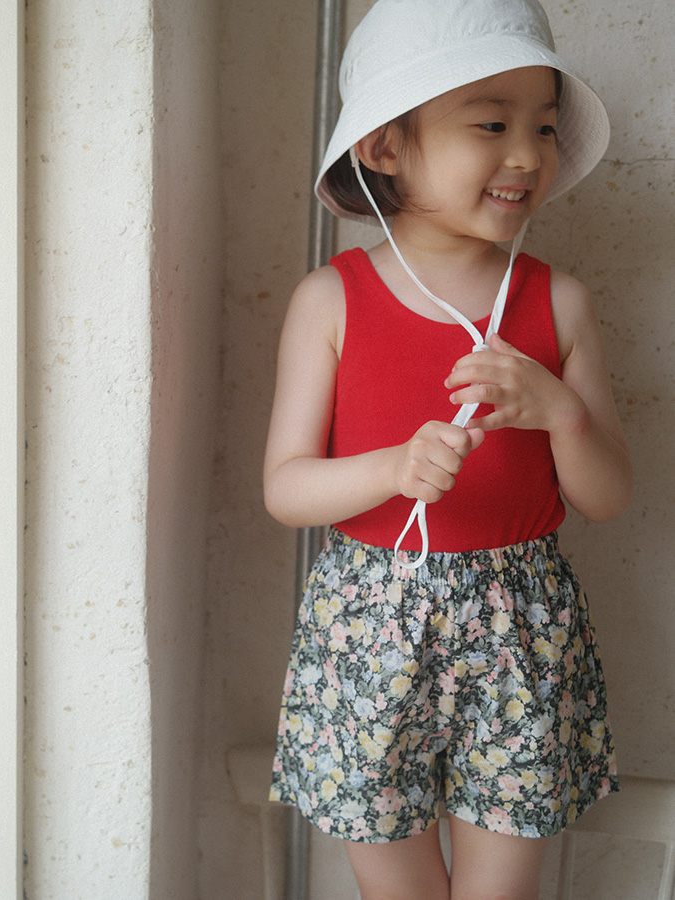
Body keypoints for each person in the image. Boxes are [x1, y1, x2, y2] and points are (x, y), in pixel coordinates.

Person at [264, 1, 632, 898]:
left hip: (520, 630)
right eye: (492, 125)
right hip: (368, 629)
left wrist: (559, 412)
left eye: (543, 128)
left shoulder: (559, 303)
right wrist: (391, 469)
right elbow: (286, 488)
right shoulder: (331, 300)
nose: (528, 155)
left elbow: (607, 496)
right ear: (385, 146)